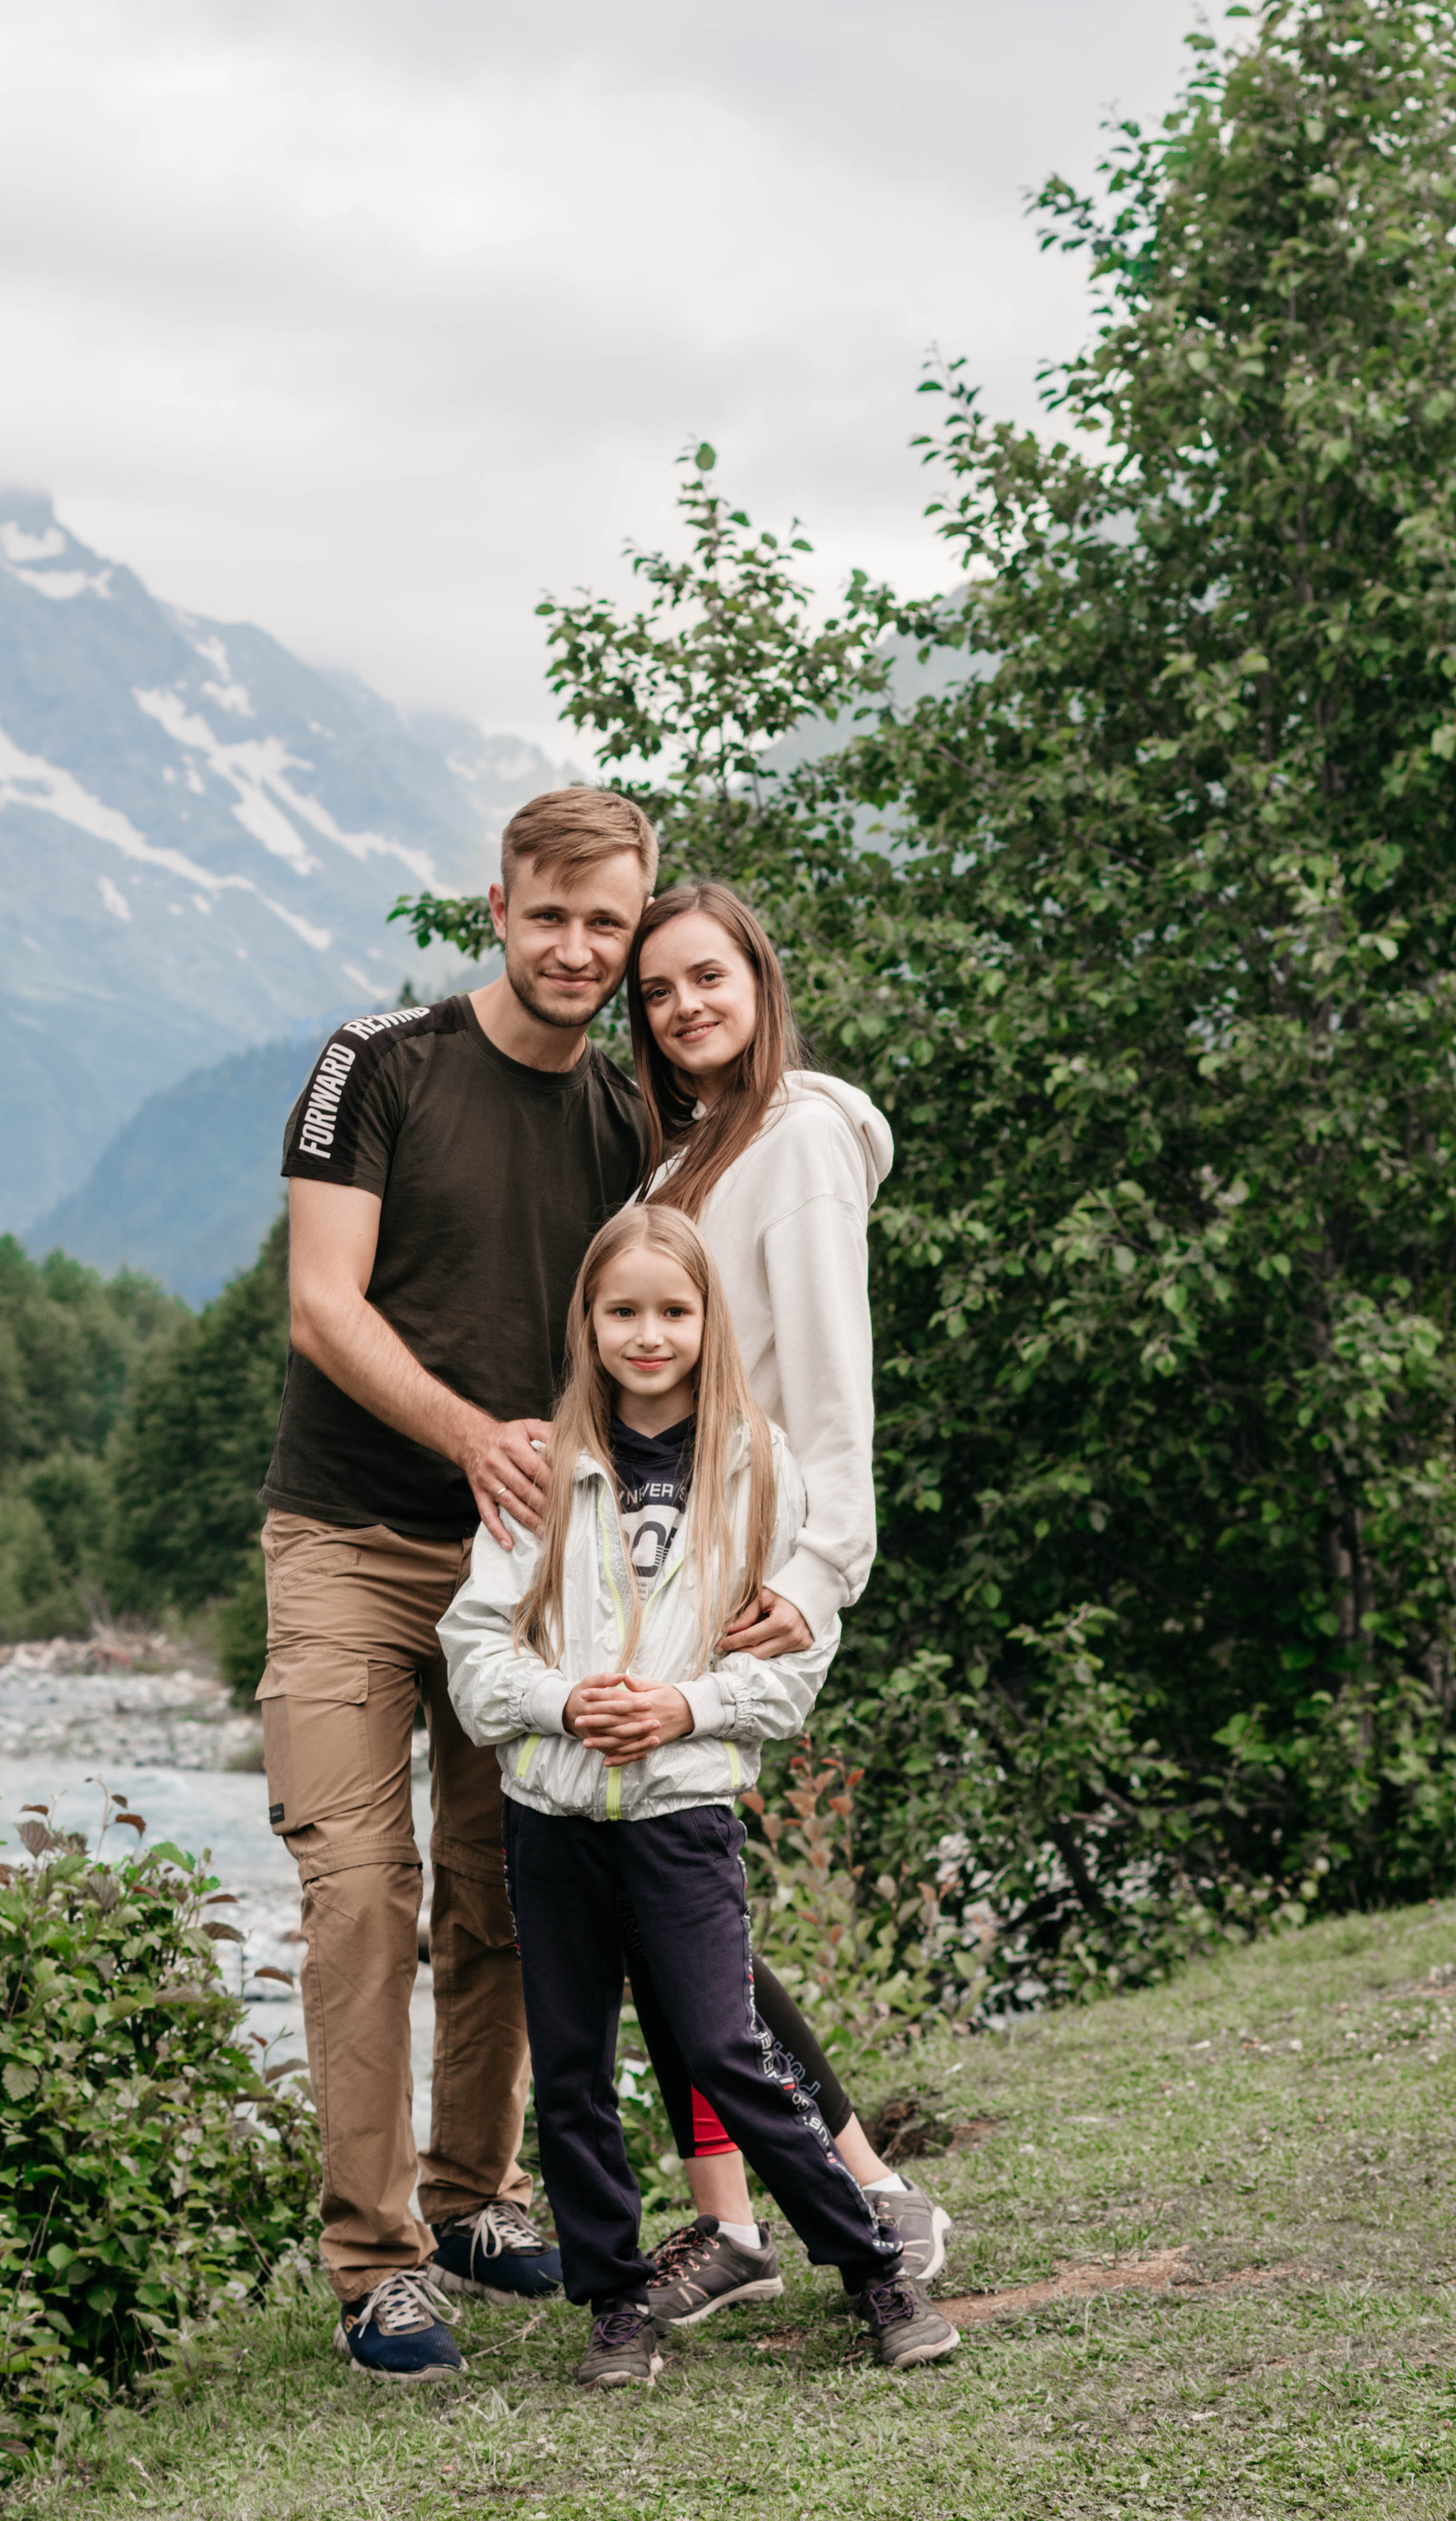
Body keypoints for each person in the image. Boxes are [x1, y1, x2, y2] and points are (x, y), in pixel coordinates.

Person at [257, 785, 660, 2383]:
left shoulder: (626, 1119)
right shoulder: (377, 1061)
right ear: (494, 910)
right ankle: (375, 2263)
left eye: (605, 925)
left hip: (526, 1567)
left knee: (504, 1893)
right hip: (349, 1542)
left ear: (629, 940)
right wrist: (467, 1434)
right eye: (547, 915)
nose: (574, 948)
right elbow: (319, 1305)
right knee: (363, 1897)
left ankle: (477, 2194)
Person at [439, 1203, 960, 2385]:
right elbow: (473, 1647)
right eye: (622, 1312)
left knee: (729, 2048)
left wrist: (687, 1709)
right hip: (553, 1815)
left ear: (708, 1321)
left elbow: (792, 1661)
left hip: (681, 1810)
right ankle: (615, 2310)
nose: (647, 1334)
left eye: (672, 1311)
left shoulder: (756, 1462)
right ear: (588, 1324)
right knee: (570, 2069)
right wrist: (564, 1702)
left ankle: (875, 2273)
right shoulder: (544, 1467)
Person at [617, 878, 955, 2326]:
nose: (683, 1005)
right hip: (654, 1568)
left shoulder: (799, 1141)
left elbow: (830, 1388)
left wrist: (816, 1577)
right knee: (672, 1911)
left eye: (706, 976)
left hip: (750, 1577)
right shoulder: (691, 1149)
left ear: (757, 976)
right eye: (657, 991)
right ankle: (792, 2202)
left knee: (671, 1906)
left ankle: (852, 2201)